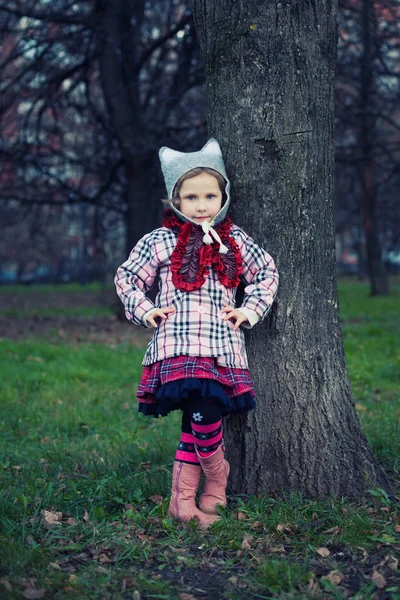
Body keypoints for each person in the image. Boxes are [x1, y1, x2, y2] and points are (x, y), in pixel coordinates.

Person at [115, 139, 279, 529]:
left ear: (223, 195)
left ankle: (188, 500)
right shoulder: (159, 240)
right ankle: (211, 486)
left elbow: (266, 273)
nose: (201, 205)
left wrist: (248, 309)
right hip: (176, 344)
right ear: (174, 199)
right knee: (199, 413)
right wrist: (147, 309)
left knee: (199, 417)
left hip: (221, 346)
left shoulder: (234, 239)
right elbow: (128, 277)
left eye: (210, 195)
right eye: (190, 196)